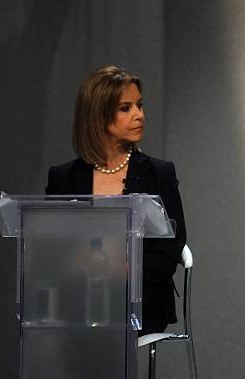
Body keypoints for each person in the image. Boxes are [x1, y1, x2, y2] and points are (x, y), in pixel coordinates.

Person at [45, 65, 186, 335]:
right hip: (78, 297)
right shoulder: (63, 177)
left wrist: (119, 272)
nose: (139, 115)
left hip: (141, 297)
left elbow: (170, 248)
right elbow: (51, 248)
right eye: (126, 108)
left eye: (140, 106)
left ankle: (115, 378)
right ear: (98, 115)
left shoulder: (159, 173)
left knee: (100, 326)